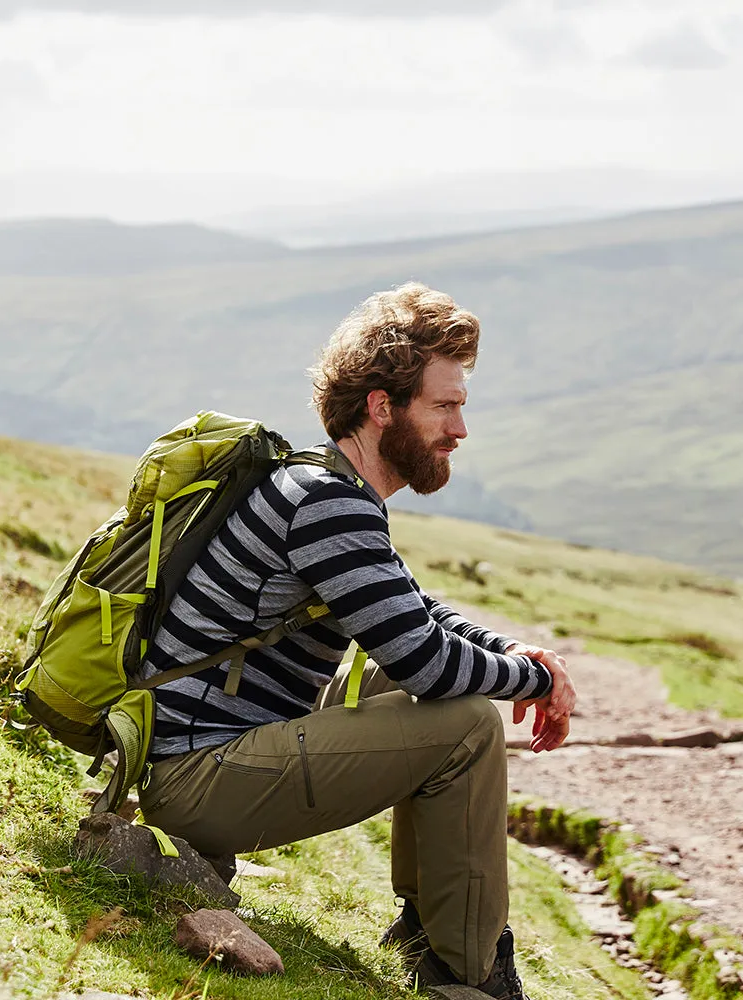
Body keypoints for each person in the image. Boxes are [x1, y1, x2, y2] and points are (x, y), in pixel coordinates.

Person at [137, 281, 576, 999]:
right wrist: (535, 684)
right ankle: (467, 975)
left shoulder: (321, 482)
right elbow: (428, 661)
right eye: (445, 406)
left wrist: (520, 657)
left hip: (194, 756)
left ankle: (428, 928)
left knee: (413, 687)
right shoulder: (329, 503)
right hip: (196, 781)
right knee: (464, 719)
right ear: (382, 407)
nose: (459, 430)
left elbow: (409, 606)